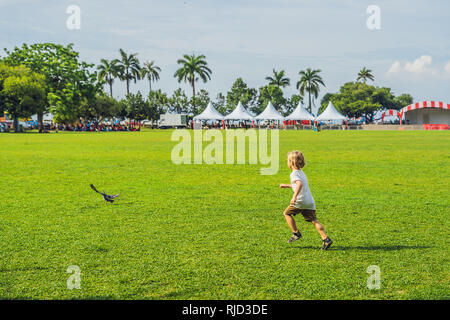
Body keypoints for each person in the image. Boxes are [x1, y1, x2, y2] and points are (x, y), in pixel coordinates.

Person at [279, 151, 333, 250]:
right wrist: (286, 185)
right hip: (309, 201)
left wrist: (294, 197)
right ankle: (325, 238)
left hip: (300, 201)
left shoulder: (294, 174)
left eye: (288, 160)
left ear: (291, 162)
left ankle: (296, 233)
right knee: (314, 220)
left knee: (286, 213)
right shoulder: (301, 173)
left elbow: (299, 184)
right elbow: (298, 184)